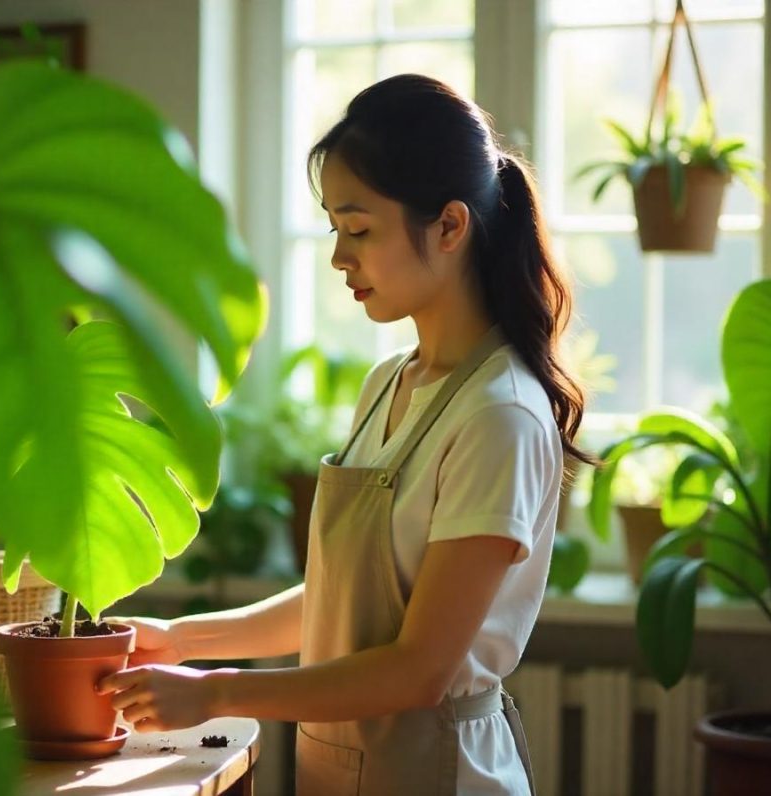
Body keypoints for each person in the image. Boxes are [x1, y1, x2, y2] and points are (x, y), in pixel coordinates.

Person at [97, 74, 590, 796]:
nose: (339, 256)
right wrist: (185, 641)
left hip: (441, 774)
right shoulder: (390, 382)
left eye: (359, 229)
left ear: (451, 227)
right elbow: (340, 608)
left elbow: (418, 668)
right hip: (347, 765)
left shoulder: (499, 415)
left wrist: (216, 693)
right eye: (334, 228)